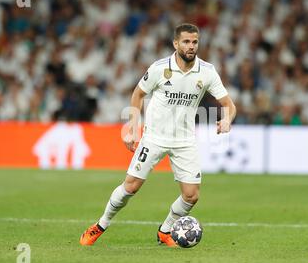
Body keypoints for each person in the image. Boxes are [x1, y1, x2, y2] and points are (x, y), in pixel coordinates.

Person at [79, 23, 236, 247]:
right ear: (175, 43)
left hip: (184, 141)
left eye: (195, 42)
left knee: (191, 195)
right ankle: (101, 224)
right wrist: (133, 128)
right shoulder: (159, 68)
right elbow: (138, 94)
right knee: (131, 186)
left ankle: (165, 231)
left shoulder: (207, 71)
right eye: (186, 42)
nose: (191, 46)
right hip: (154, 137)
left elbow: (228, 104)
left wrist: (227, 118)